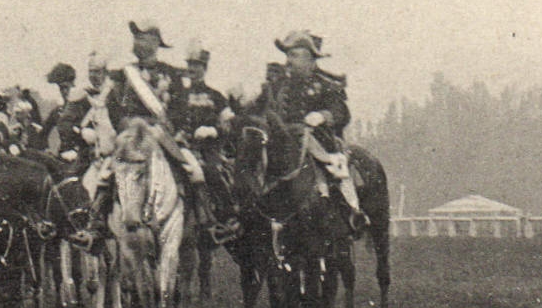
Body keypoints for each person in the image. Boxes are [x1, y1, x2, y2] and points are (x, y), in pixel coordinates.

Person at [104, 20, 225, 238]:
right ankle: (96, 223)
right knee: (105, 173)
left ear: (155, 42)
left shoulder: (173, 74)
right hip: (133, 138)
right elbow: (113, 107)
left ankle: (206, 219)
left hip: (163, 136)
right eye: (136, 38)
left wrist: (169, 127)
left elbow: (181, 106)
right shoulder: (122, 75)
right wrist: (128, 126)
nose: (137, 43)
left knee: (195, 171)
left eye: (142, 38)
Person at [251, 30, 367, 230]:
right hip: (283, 140)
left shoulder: (326, 85)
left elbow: (341, 112)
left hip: (317, 139)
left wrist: (322, 116)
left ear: (311, 60)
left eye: (294, 56)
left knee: (335, 169)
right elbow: (261, 109)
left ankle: (352, 209)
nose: (288, 61)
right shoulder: (277, 86)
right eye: (287, 55)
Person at [175, 41, 239, 242]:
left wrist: (214, 130)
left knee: (212, 171)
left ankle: (227, 218)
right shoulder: (179, 95)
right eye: (190, 65)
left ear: (204, 68)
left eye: (197, 65)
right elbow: (170, 119)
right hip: (183, 147)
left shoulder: (216, 96)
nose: (192, 69)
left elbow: (230, 125)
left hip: (208, 149)